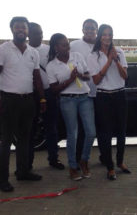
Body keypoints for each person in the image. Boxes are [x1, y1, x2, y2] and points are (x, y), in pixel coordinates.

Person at [0, 16, 46, 192]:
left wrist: (42, 98)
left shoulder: (33, 52)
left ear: (27, 31)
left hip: (28, 100)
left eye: (24, 27)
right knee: (6, 141)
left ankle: (23, 172)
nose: (21, 30)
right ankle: (2, 179)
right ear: (12, 29)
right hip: (9, 100)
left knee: (25, 139)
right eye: (17, 27)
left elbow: (36, 77)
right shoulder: (3, 50)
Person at [46, 33, 96, 181]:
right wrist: (70, 80)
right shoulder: (51, 65)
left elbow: (88, 77)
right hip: (67, 100)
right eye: (63, 44)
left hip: (84, 97)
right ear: (56, 47)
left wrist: (80, 75)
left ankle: (84, 160)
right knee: (72, 134)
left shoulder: (77, 56)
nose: (67, 47)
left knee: (91, 132)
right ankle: (73, 167)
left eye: (67, 44)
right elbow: (54, 89)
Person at [87, 24, 130, 180]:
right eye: (104, 34)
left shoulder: (119, 51)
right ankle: (109, 166)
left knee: (121, 132)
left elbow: (125, 76)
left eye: (109, 34)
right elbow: (97, 80)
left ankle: (120, 162)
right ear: (99, 36)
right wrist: (108, 61)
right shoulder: (93, 56)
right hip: (103, 96)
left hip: (119, 95)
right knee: (105, 134)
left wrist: (116, 60)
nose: (107, 37)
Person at [27, 22, 64, 170]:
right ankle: (27, 163)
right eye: (36, 33)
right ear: (29, 34)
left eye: (41, 33)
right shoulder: (25, 50)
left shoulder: (49, 50)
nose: (40, 36)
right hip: (31, 94)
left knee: (52, 128)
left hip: (49, 93)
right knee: (30, 129)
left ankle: (53, 159)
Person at [69, 19, 103, 164]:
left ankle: (104, 156)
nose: (90, 31)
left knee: (101, 128)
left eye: (93, 28)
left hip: (101, 92)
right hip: (82, 94)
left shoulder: (101, 44)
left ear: (97, 30)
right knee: (83, 130)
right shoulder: (74, 45)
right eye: (87, 28)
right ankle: (79, 159)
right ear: (82, 30)